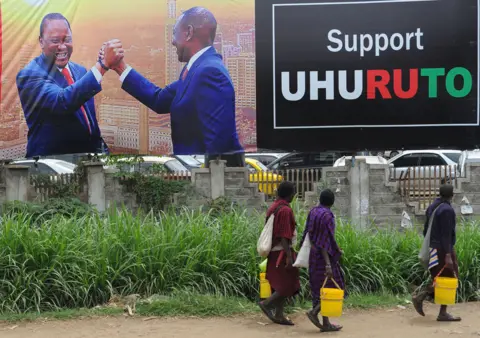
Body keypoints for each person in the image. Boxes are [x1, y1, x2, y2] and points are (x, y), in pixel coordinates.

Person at [100, 7, 245, 166]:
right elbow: (159, 100)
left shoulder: (209, 73)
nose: (172, 41)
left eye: (175, 33)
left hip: (207, 181)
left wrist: (207, 185)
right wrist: (120, 67)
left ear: (189, 33)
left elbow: (218, 147)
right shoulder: (195, 69)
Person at [16, 13, 121, 158]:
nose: (62, 46)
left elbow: (89, 123)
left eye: (67, 40)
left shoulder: (80, 71)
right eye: (55, 41)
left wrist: (103, 152)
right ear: (41, 42)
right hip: (51, 166)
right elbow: (63, 101)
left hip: (89, 161)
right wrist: (102, 66)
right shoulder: (29, 75)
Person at [413, 184, 461, 322]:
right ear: (452, 195)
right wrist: (448, 255)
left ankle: (424, 298)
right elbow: (446, 234)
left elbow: (426, 229)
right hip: (442, 249)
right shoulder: (447, 210)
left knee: (439, 278)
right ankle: (437, 308)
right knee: (449, 277)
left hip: (433, 248)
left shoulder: (433, 206)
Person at [258, 181, 300, 325]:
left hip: (274, 253)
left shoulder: (274, 207)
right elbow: (284, 236)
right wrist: (289, 257)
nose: (294, 194)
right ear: (290, 194)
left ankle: (279, 314)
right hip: (282, 253)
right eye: (293, 192)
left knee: (281, 284)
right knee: (288, 284)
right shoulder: (285, 210)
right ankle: (266, 304)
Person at [303, 188, 345, 332]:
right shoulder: (327, 215)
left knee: (319, 288)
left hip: (313, 254)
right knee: (336, 285)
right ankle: (314, 312)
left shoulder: (313, 211)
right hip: (323, 257)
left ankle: (326, 323)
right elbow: (324, 242)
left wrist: (336, 248)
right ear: (332, 202)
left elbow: (309, 233)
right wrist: (328, 264)